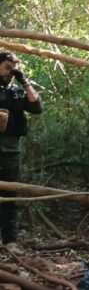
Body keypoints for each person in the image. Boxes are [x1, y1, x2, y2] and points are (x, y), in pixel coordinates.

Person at [0, 51, 43, 250]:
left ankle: (9, 240)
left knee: (10, 195)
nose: (11, 72)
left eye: (14, 68)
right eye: (7, 67)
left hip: (10, 151)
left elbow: (37, 107)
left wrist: (23, 80)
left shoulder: (17, 92)